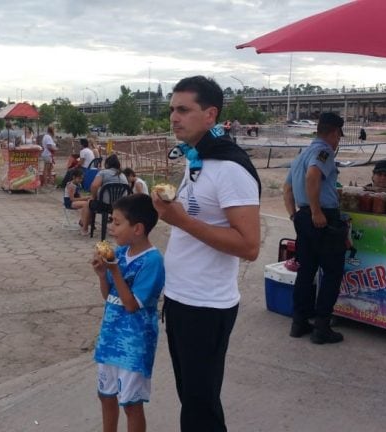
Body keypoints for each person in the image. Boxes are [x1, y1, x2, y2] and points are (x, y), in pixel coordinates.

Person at [153, 76, 261, 432]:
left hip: (207, 306)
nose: (174, 118)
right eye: (172, 109)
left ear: (211, 115)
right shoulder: (199, 157)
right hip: (182, 299)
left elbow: (249, 246)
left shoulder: (230, 167)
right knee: (192, 401)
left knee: (201, 409)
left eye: (184, 110)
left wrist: (181, 221)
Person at [91, 193, 165, 432]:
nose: (111, 228)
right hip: (109, 339)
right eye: (111, 221)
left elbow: (132, 305)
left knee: (131, 405)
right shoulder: (120, 254)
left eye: (117, 222)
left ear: (138, 228)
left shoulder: (153, 261)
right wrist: (104, 275)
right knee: (106, 396)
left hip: (134, 345)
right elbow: (110, 297)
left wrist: (114, 272)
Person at [283, 112, 347, 345]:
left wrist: (295, 215)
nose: (338, 141)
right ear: (333, 133)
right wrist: (317, 211)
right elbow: (313, 176)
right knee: (332, 272)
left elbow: (287, 189)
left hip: (301, 216)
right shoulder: (324, 151)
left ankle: (299, 322)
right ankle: (322, 326)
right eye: (338, 137)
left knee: (306, 270)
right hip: (322, 218)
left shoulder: (301, 154)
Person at [80, 154, 129, 235]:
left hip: (104, 205)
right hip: (120, 206)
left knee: (87, 204)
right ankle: (114, 230)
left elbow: (94, 186)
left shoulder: (103, 173)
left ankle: (84, 229)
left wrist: (93, 196)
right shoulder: (122, 175)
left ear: (107, 164)